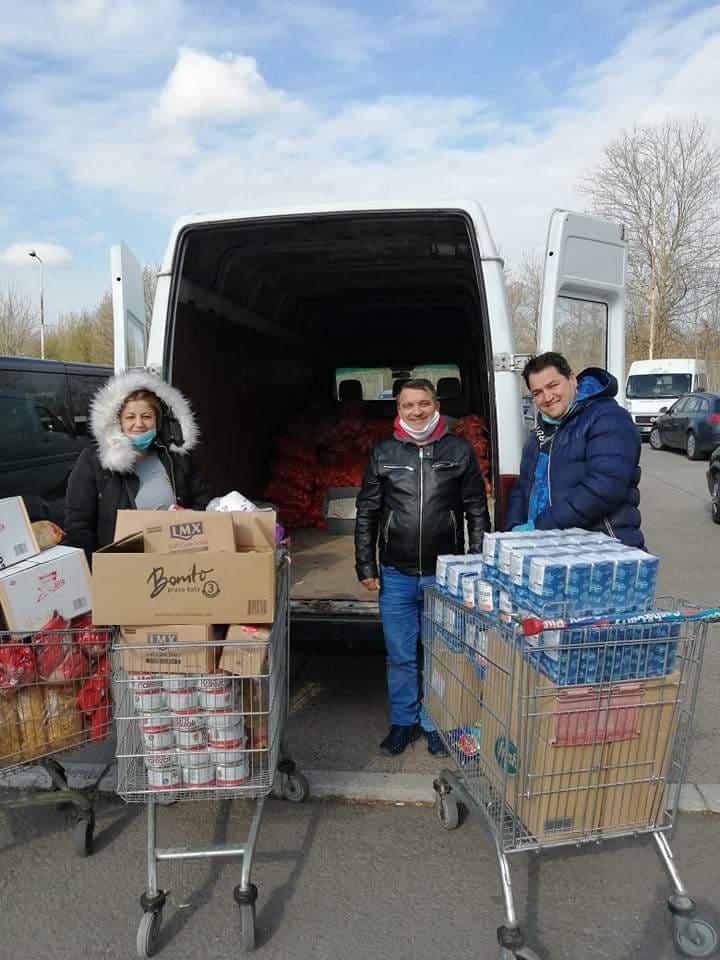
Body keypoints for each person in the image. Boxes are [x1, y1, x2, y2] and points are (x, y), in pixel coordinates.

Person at [355, 378, 490, 756]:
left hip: (443, 575)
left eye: (423, 403)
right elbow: (367, 512)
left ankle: (434, 722)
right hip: (395, 575)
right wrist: (366, 564)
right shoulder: (384, 452)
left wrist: (475, 564)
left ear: (436, 405)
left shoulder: (458, 450)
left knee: (441, 653)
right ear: (398, 409)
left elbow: (476, 511)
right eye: (408, 405)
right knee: (400, 655)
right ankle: (403, 722)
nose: (416, 411)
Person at [64, 369, 210, 558]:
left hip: (174, 558)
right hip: (121, 564)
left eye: (146, 416)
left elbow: (201, 501)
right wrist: (94, 567)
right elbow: (78, 524)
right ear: (118, 421)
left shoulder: (176, 457)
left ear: (157, 421)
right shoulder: (94, 460)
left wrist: (187, 518)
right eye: (130, 417)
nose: (139, 424)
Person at [505, 351, 644, 548]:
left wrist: (539, 527)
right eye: (537, 393)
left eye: (553, 385)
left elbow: (603, 489)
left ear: (572, 379)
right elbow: (523, 487)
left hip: (601, 548)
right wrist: (513, 529)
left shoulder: (608, 418)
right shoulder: (539, 433)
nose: (547, 397)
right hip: (547, 547)